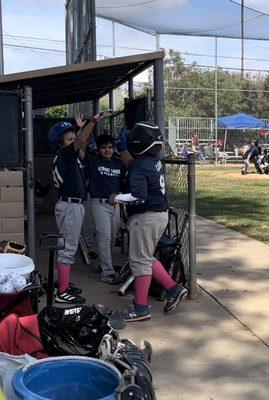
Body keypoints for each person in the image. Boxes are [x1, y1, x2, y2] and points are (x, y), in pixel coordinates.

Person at [110, 122, 188, 322]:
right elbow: (134, 166)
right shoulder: (154, 161)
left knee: (140, 261)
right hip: (158, 215)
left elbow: (139, 196)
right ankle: (173, 288)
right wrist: (122, 148)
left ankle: (141, 308)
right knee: (146, 258)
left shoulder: (139, 165)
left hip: (146, 216)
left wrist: (117, 198)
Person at [48, 112, 106, 304]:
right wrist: (93, 121)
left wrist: (80, 129)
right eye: (69, 139)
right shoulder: (65, 155)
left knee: (68, 247)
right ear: (61, 143)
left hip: (73, 205)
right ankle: (62, 291)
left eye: (73, 138)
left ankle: (64, 284)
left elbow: (81, 145)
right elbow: (81, 141)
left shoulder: (73, 158)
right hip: (69, 205)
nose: (74, 141)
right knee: (68, 248)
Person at [82, 134, 126, 284]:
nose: (107, 150)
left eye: (110, 147)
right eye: (103, 148)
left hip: (115, 205)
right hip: (99, 204)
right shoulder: (93, 161)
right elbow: (79, 148)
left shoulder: (118, 163)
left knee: (113, 236)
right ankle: (107, 272)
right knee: (104, 237)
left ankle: (102, 263)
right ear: (98, 149)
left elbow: (122, 182)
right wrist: (83, 128)